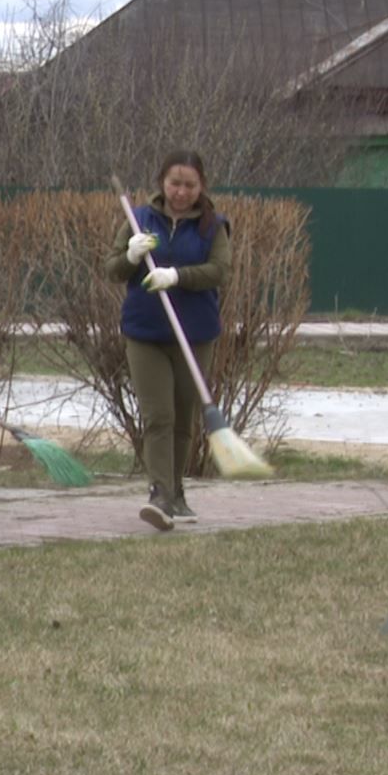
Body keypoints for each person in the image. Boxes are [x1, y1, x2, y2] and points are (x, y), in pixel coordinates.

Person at [105, 151, 230, 531]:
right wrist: (130, 254)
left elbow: (219, 270)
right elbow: (113, 268)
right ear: (162, 182)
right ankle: (158, 493)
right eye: (175, 183)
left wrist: (176, 277)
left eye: (190, 185)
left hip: (195, 335)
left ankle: (176, 494)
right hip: (145, 332)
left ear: (201, 186)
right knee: (158, 416)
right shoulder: (139, 219)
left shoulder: (213, 226)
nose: (181, 192)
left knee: (182, 419)